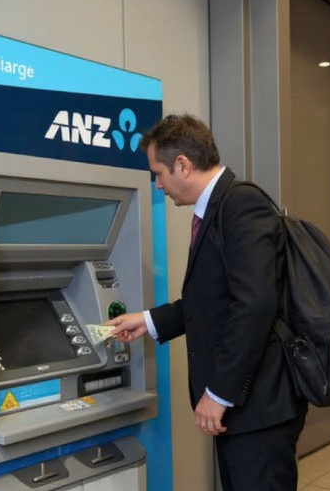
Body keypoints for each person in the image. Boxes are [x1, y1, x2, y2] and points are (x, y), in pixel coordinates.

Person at [108, 114, 308, 491]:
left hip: (258, 408)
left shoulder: (240, 205)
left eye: (159, 173)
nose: (157, 185)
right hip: (246, 409)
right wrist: (149, 322)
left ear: (182, 164)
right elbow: (211, 303)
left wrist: (218, 394)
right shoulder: (217, 207)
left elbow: (254, 306)